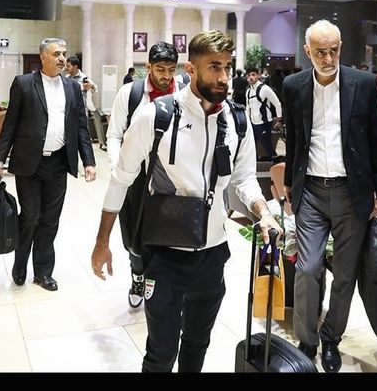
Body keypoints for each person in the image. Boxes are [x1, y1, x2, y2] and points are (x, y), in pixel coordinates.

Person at [91, 30, 281, 372]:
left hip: (213, 253)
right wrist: (102, 242)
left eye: (227, 67)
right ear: (191, 70)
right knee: (161, 354)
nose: (223, 77)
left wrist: (262, 211)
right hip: (165, 254)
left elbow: (244, 179)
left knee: (196, 346)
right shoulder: (155, 116)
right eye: (214, 67)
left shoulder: (237, 121)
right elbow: (121, 179)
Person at [282, 19, 377, 373]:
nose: (328, 58)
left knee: (345, 275)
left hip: (352, 193)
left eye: (333, 51)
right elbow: (294, 139)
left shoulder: (363, 84)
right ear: (307, 51)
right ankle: (307, 340)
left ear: (341, 48)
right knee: (307, 268)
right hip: (311, 192)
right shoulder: (294, 86)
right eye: (320, 52)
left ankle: (331, 338)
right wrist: (289, 183)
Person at [0, 38, 97, 292]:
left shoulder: (72, 88)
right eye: (56, 54)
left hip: (59, 163)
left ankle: (43, 272)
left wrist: (88, 161)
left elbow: (80, 126)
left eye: (64, 54)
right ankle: (20, 263)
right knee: (31, 216)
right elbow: (10, 126)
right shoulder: (24, 84)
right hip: (30, 163)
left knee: (50, 219)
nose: (62, 58)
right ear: (43, 57)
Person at [106, 41, 184, 308]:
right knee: (134, 231)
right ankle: (138, 275)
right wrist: (117, 167)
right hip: (136, 175)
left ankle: (162, 281)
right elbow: (114, 134)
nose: (166, 76)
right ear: (148, 67)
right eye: (160, 69)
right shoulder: (131, 93)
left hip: (172, 176)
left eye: (171, 70)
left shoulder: (183, 93)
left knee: (170, 233)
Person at [245, 67, 282, 161]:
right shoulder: (248, 91)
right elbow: (248, 107)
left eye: (253, 75)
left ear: (258, 75)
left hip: (264, 122)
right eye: (248, 75)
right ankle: (255, 160)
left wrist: (279, 120)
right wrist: (247, 121)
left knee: (267, 145)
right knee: (249, 144)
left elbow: (277, 103)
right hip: (253, 123)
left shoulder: (265, 89)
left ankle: (276, 162)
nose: (251, 77)